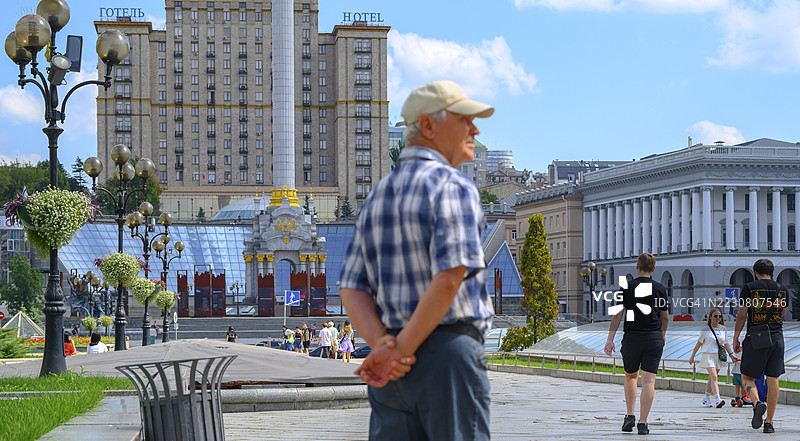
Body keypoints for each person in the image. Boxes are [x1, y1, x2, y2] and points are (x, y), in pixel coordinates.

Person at [340, 80, 495, 440]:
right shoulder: (450, 185)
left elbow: (351, 286)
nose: (475, 128)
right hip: (447, 358)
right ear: (428, 126)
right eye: (464, 119)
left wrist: (382, 346)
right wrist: (401, 351)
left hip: (392, 370)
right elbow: (449, 278)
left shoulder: (378, 194)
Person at [604, 252, 669, 435]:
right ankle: (643, 423)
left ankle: (630, 415)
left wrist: (610, 339)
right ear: (654, 268)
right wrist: (662, 335)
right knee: (649, 381)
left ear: (637, 266)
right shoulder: (659, 288)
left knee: (631, 376)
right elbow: (665, 317)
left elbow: (617, 314)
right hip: (653, 338)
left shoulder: (627, 287)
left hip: (632, 337)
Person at [733, 258, 788, 433]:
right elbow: (783, 313)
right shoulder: (783, 290)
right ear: (773, 272)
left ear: (755, 272)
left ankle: (757, 404)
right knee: (773, 378)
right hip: (777, 338)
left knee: (747, 377)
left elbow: (742, 315)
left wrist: (736, 337)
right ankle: (769, 423)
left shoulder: (750, 288)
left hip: (756, 337)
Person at [688, 307, 734, 408]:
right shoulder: (705, 329)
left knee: (712, 378)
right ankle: (718, 399)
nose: (718, 318)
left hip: (718, 356)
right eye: (715, 316)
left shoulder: (723, 329)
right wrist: (692, 356)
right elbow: (698, 344)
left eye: (720, 316)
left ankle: (706, 397)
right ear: (710, 317)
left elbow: (726, 344)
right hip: (708, 355)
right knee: (714, 376)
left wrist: (731, 354)